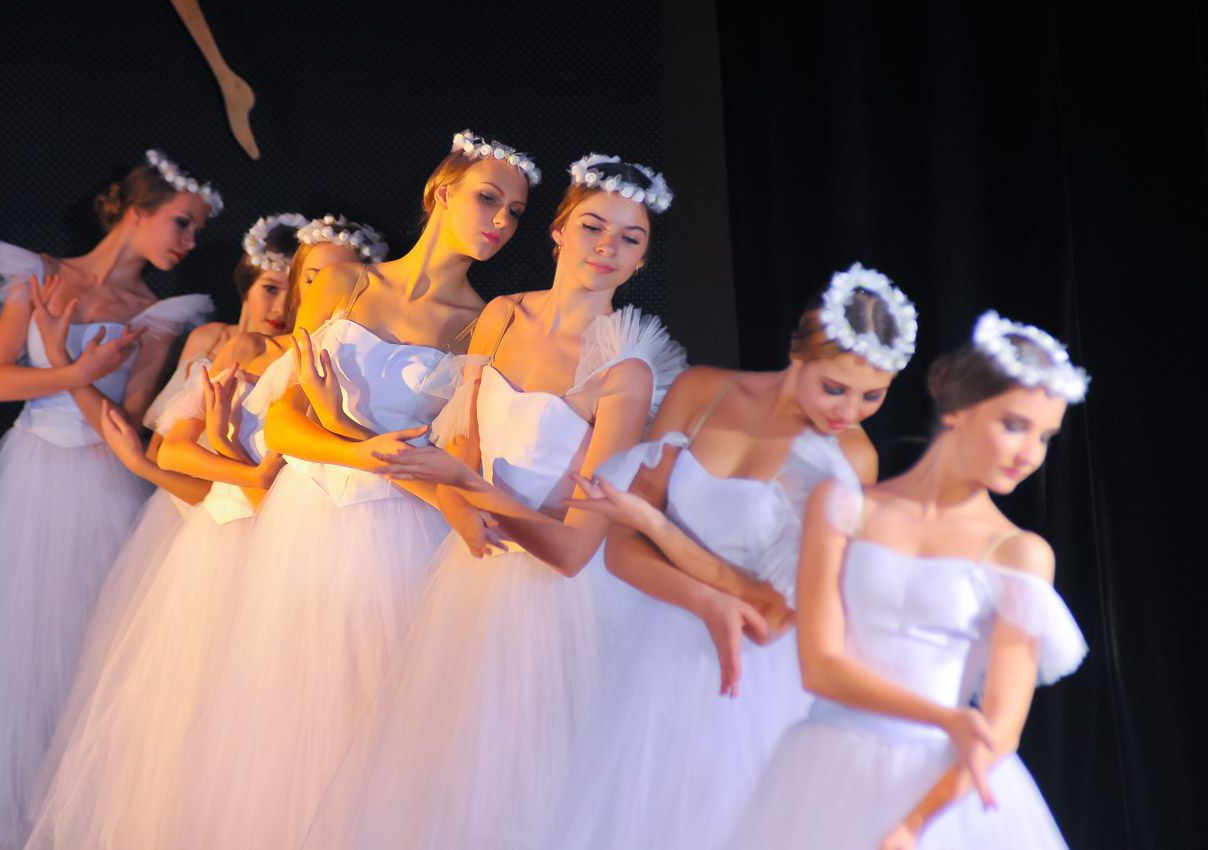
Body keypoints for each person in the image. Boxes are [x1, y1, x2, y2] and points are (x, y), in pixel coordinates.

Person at [165, 130, 538, 850]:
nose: (500, 220)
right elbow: (283, 420)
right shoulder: (344, 285)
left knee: (380, 728)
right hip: (306, 520)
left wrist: (357, 438)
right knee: (282, 720)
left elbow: (452, 456)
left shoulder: (484, 323)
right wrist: (355, 445)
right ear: (441, 192)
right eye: (488, 198)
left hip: (402, 533)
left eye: (516, 212)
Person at [303, 153, 686, 850]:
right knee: (445, 789)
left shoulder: (624, 371)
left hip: (556, 604)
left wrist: (472, 492)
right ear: (558, 232)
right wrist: (352, 432)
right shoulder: (501, 317)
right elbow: (461, 448)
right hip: (470, 585)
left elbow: (573, 551)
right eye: (593, 227)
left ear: (640, 262)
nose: (607, 247)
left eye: (629, 239)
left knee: (536, 795)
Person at [22, 213, 381, 850]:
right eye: (314, 277)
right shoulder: (248, 351)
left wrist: (243, 465)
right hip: (225, 543)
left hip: (300, 555)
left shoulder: (350, 368)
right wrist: (234, 463)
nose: (326, 290)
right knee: (198, 719)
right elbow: (182, 452)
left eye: (346, 278)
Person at [545, 263, 918, 850]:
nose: (849, 412)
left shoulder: (851, 460)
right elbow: (621, 548)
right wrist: (705, 601)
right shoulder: (703, 391)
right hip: (657, 654)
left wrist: (657, 529)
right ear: (798, 355)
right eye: (835, 388)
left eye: (873, 396)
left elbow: (777, 613)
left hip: (757, 677)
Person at [0, 149, 217, 849]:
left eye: (196, 232)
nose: (188, 243)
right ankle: (0, 815)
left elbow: (128, 422)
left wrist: (70, 366)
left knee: (90, 641)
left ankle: (71, 816)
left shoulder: (153, 313)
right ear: (138, 211)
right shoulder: (41, 277)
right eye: (181, 223)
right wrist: (74, 368)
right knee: (13, 639)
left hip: (100, 479)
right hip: (31, 471)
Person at [730, 310, 1089, 849]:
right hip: (826, 771)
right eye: (1014, 426)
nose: (1029, 455)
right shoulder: (844, 505)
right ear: (958, 409)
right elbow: (819, 667)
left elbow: (1001, 731)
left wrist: (913, 825)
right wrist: (947, 718)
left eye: (1045, 437)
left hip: (943, 795)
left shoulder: (1020, 554)